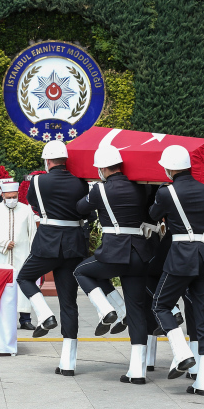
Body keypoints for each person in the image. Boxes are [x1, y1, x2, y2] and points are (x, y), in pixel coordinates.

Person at [73, 145, 155, 383]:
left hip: (114, 253)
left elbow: (80, 208)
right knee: (137, 310)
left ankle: (108, 309)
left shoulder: (100, 190)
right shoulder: (140, 186)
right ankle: (137, 372)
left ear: (102, 168)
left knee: (82, 271)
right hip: (139, 253)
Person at [149, 145, 204, 396]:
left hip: (182, 255)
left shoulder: (166, 192)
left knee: (159, 304)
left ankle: (181, 353)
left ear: (169, 168)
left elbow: (154, 214)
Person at [16, 140, 89, 376]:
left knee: (25, 278)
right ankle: (68, 363)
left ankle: (45, 315)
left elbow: (34, 205)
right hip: (73, 245)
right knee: (69, 302)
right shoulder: (81, 183)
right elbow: (84, 209)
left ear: (47, 161)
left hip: (48, 243)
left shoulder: (37, 181)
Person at [0, 181, 37, 330]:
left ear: (18, 195)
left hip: (23, 255)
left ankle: (25, 319)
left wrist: (34, 255)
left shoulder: (26, 210)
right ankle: (5, 319)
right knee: (4, 286)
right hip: (3, 256)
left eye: (14, 197)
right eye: (9, 197)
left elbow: (33, 234)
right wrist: (4, 243)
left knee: (24, 285)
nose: (12, 199)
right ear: (3, 196)